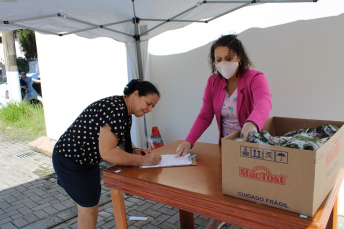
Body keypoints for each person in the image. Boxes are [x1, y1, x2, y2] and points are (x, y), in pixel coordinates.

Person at [175, 34, 272, 229]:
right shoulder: (213, 82)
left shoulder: (255, 77)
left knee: (253, 187)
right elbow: (205, 115)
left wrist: (252, 123)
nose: (224, 63)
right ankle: (219, 217)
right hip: (226, 145)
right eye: (219, 60)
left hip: (249, 142)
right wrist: (189, 141)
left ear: (240, 57)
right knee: (223, 185)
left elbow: (264, 101)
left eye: (229, 58)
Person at [52, 79, 162, 229]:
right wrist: (143, 160)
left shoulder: (123, 109)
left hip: (87, 161)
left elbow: (119, 139)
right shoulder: (115, 109)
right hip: (70, 159)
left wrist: (136, 150)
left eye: (152, 107)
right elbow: (108, 153)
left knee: (90, 206)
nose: (149, 110)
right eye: (148, 104)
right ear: (136, 94)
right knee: (88, 208)